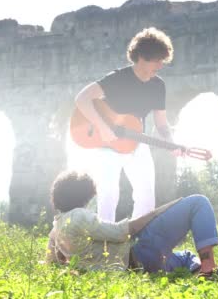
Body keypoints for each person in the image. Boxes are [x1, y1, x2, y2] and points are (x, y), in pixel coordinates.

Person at [74, 27, 179, 222]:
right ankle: (105, 246)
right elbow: (82, 99)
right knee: (108, 195)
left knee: (147, 198)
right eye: (157, 59)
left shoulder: (158, 85)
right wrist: (103, 128)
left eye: (162, 60)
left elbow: (162, 123)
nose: (160, 65)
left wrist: (171, 143)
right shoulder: (117, 78)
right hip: (108, 145)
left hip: (136, 142)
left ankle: (137, 244)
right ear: (141, 57)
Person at [46, 171, 218, 274]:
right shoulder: (78, 215)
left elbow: (51, 263)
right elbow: (121, 232)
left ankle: (198, 266)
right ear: (80, 195)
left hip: (142, 267)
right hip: (140, 251)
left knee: (185, 256)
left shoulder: (56, 229)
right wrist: (154, 214)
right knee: (198, 202)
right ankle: (208, 267)